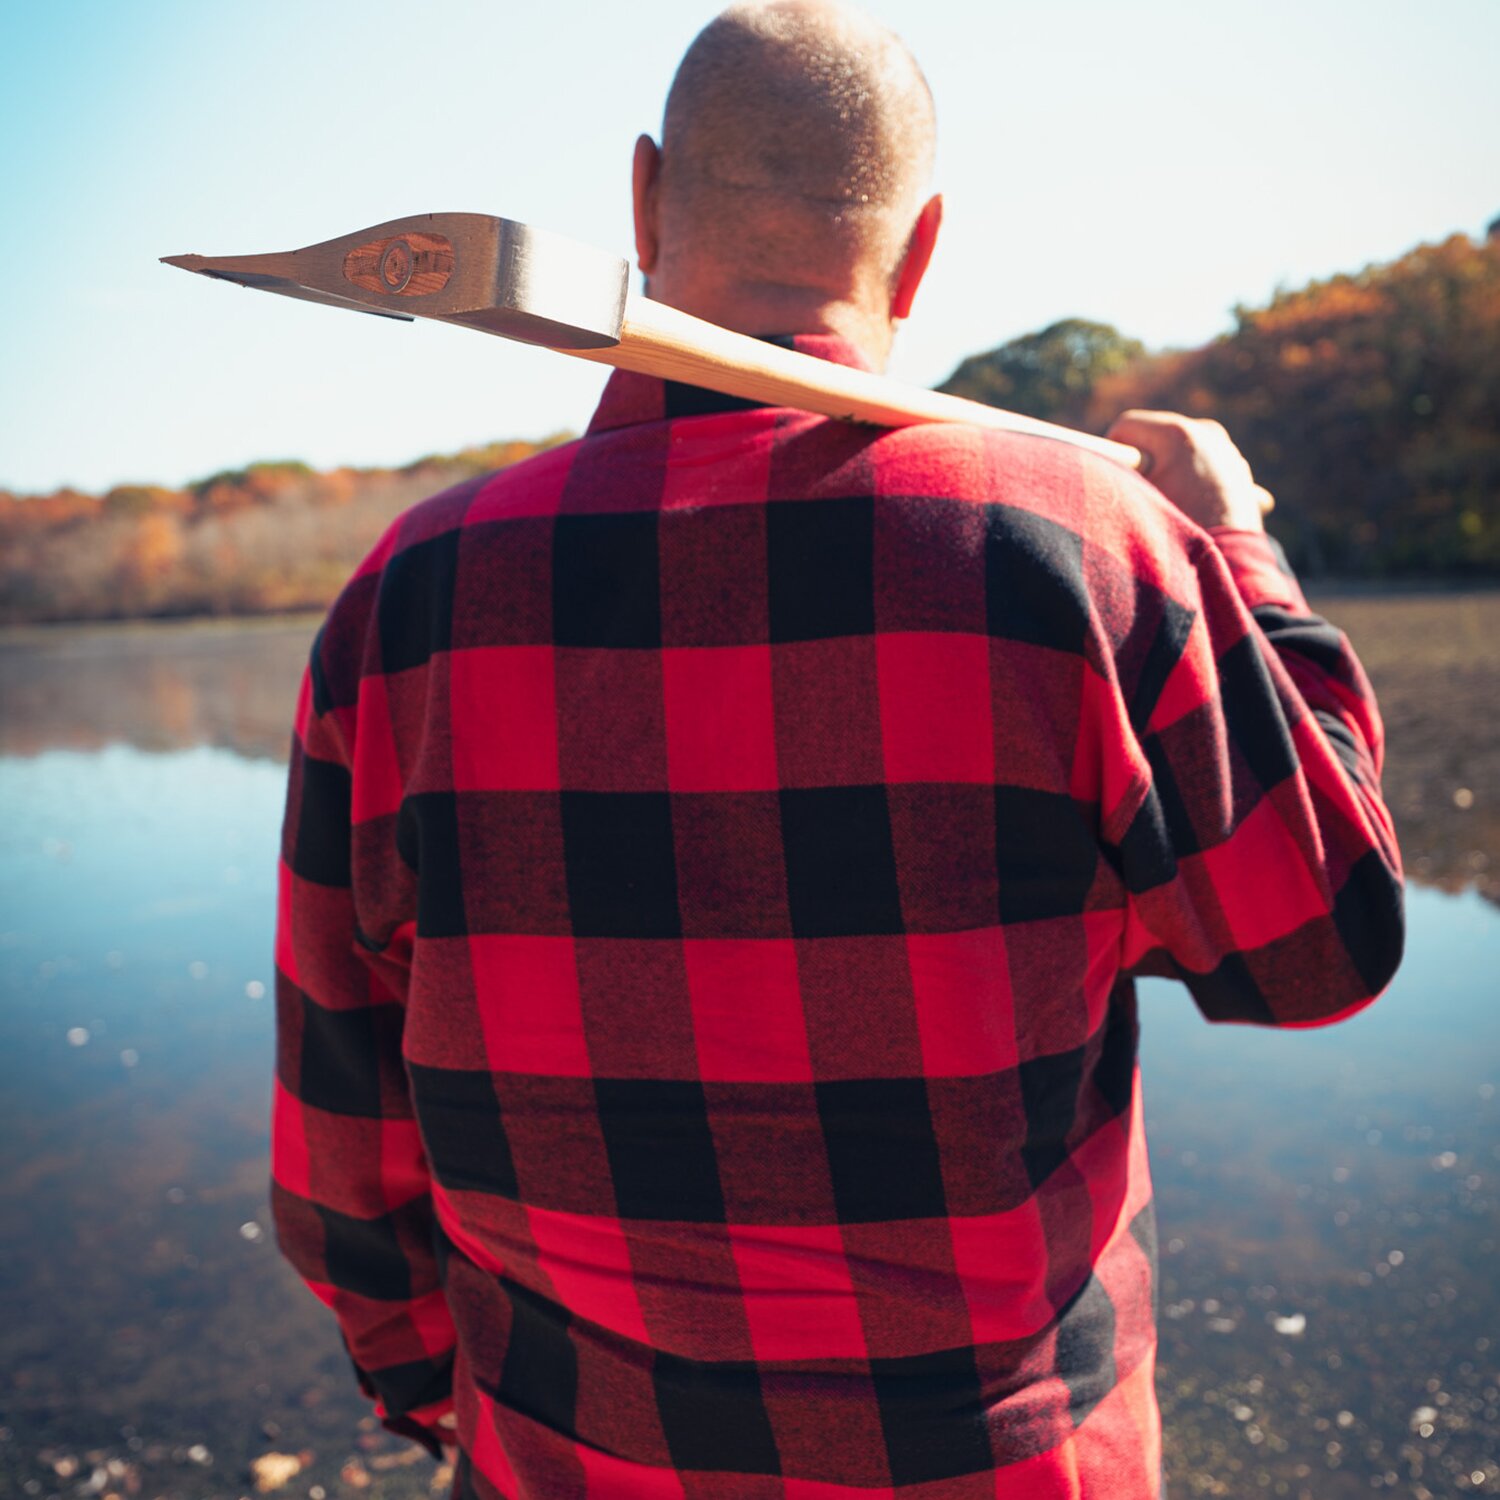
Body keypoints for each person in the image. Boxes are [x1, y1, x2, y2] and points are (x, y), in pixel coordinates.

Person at [270, 3, 1404, 1495]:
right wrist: (1242, 554)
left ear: (643, 195)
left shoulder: (405, 600)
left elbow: (342, 1130)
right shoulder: (1094, 545)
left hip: (573, 1458)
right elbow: (1316, 949)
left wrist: (432, 1388)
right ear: (921, 249)